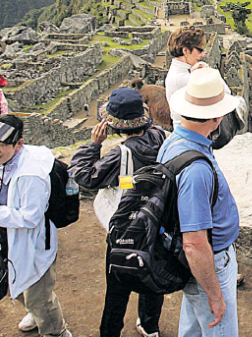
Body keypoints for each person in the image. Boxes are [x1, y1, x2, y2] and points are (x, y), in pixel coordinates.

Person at [69, 88, 167, 337]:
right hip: (157, 219)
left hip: (127, 225)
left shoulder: (120, 154)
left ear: (114, 126)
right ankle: (149, 325)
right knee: (151, 275)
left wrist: (93, 145)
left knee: (117, 286)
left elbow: (85, 176)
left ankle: (110, 331)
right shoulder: (161, 137)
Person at [160, 67, 241, 336]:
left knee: (193, 328)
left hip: (198, 264)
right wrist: (215, 296)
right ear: (217, 117)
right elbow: (194, 244)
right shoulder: (195, 169)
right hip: (211, 263)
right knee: (217, 326)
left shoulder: (174, 142)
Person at [0, 115, 72, 337]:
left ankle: (56, 332)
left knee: (39, 295)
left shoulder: (32, 174)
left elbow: (30, 217)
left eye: (0, 145)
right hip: (6, 238)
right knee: (14, 284)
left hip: (33, 242)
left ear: (19, 144)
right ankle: (35, 313)